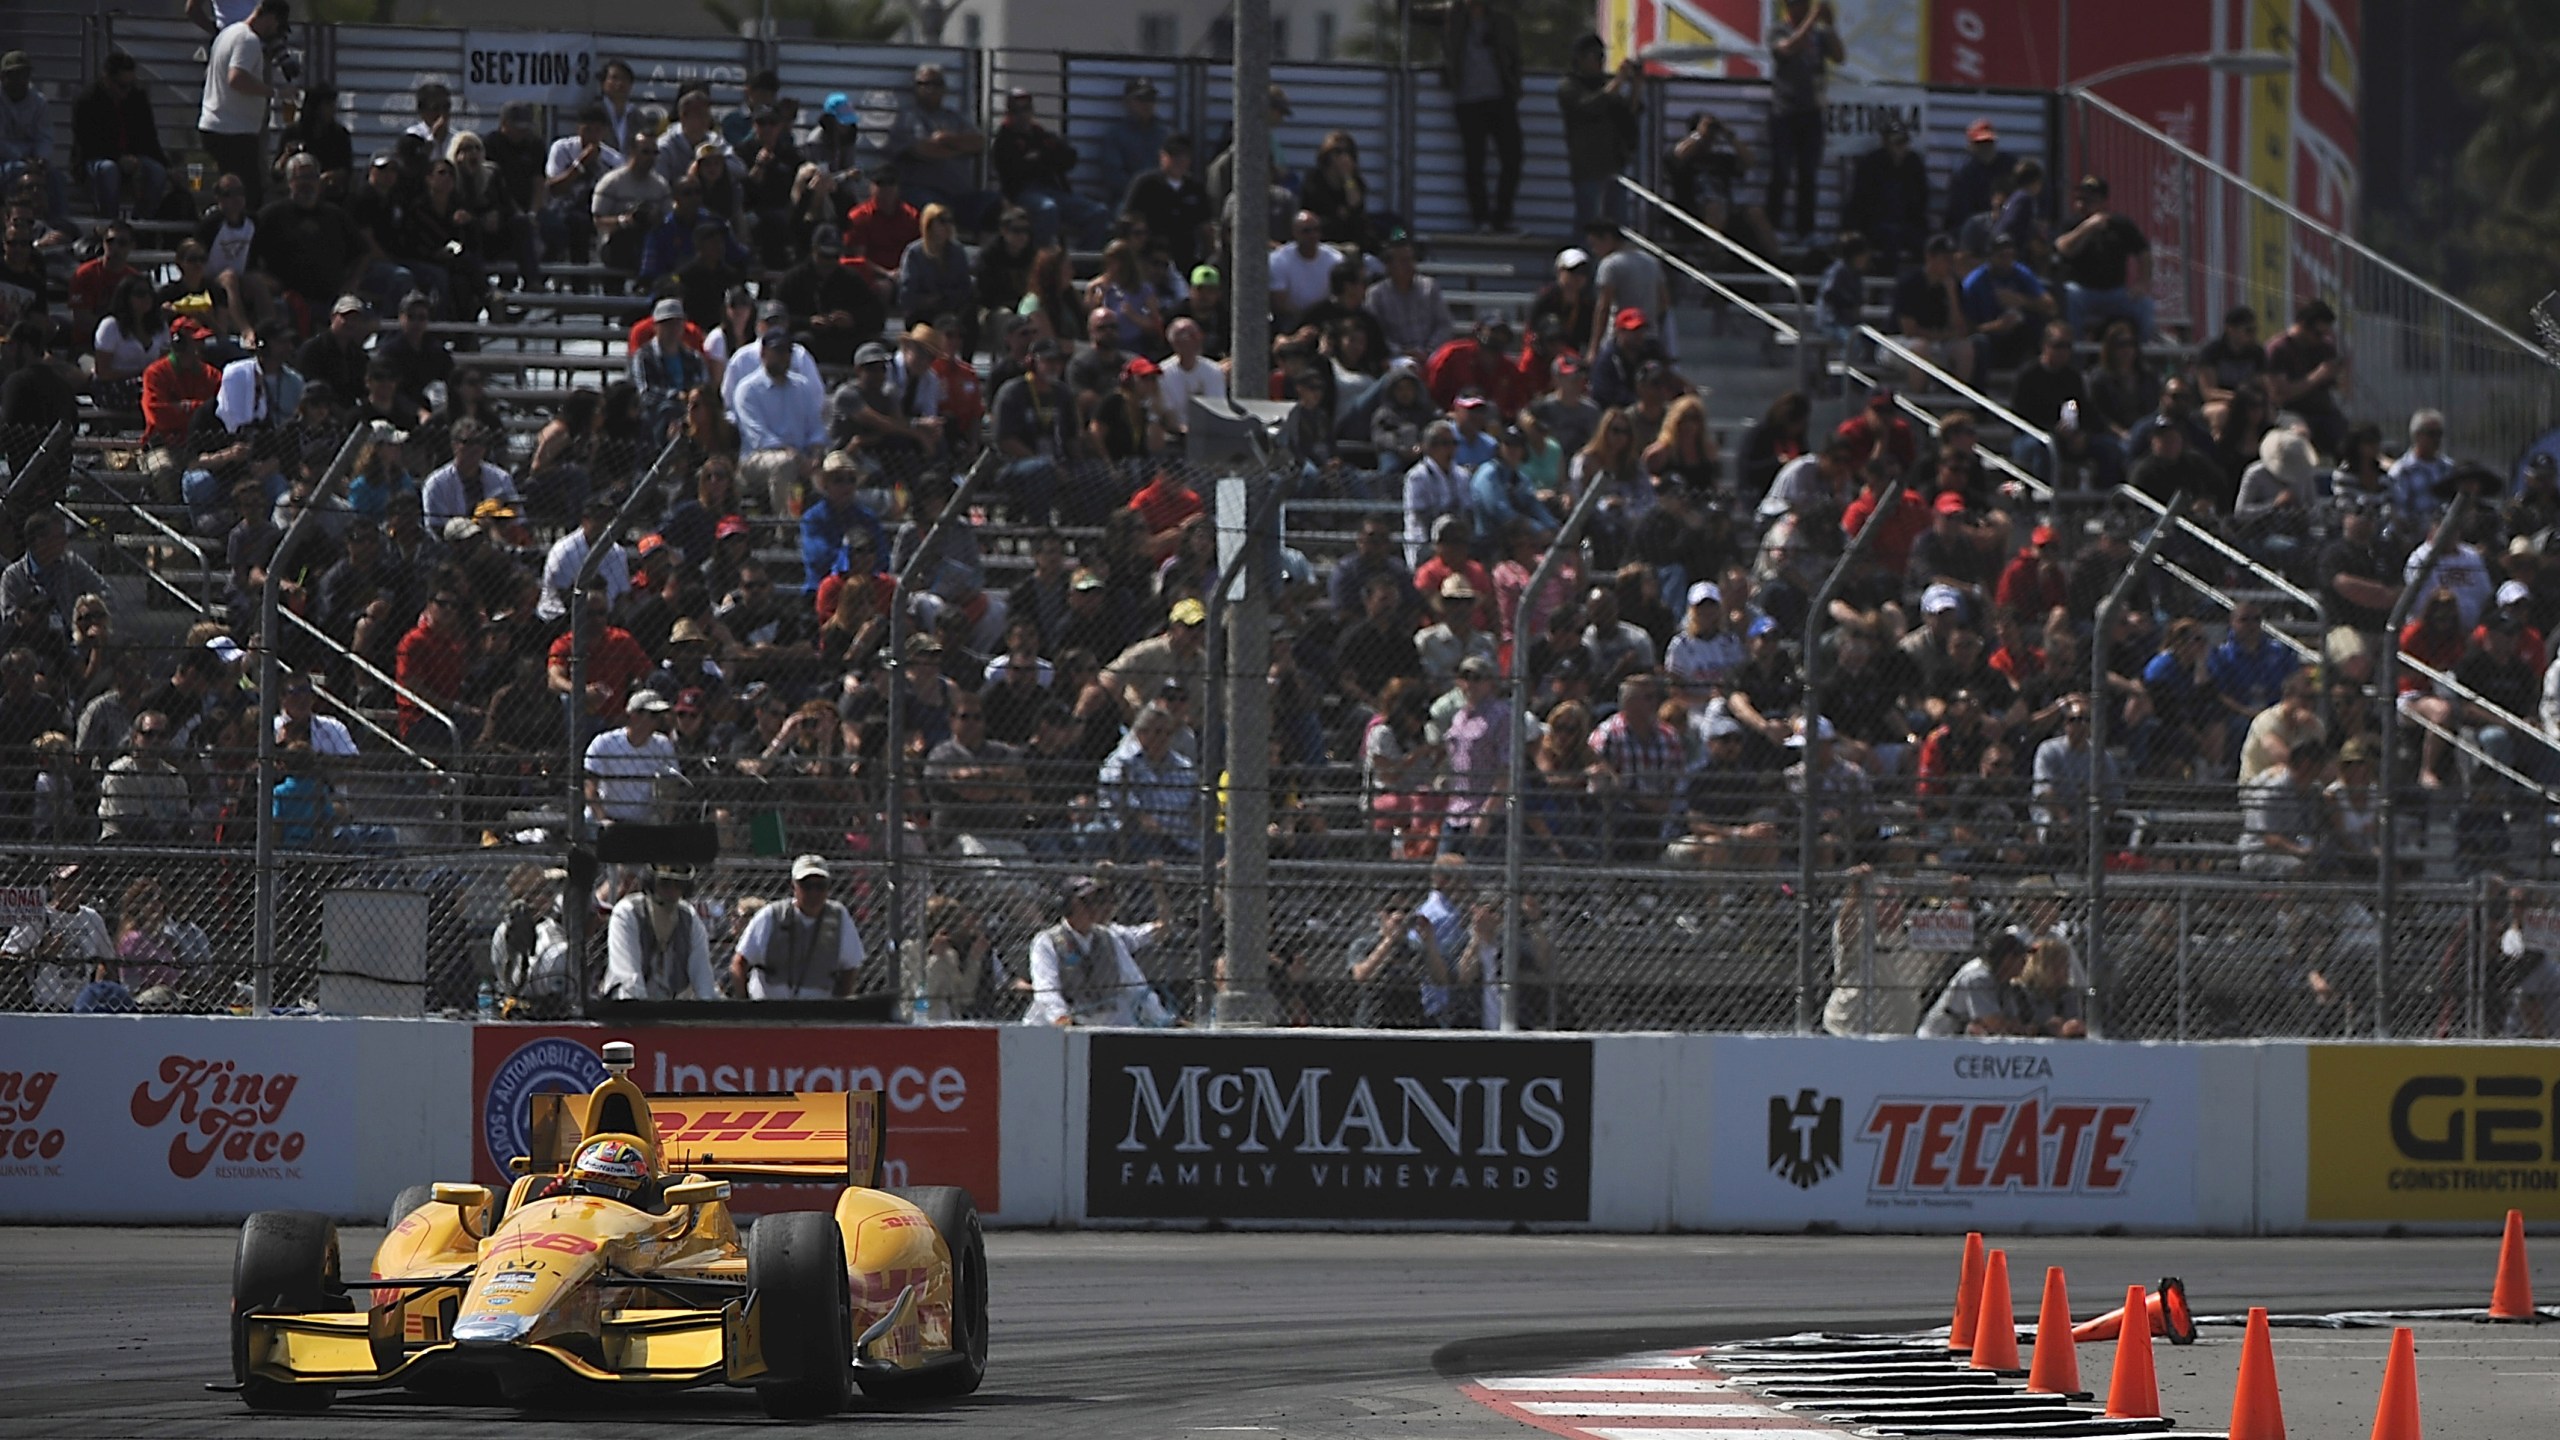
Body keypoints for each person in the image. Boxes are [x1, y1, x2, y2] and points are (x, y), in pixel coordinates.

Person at [1023, 867, 1174, 1026]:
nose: (1096, 906)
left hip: (1100, 1023)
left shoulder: (1109, 938)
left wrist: (1162, 1020)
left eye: (1098, 900)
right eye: (1087, 901)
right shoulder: (1047, 941)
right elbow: (1046, 991)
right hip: (1054, 1027)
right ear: (1067, 906)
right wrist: (1062, 1019)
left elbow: (1135, 985)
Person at [1428, 0, 1524, 233]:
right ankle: (1481, 219)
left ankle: (1502, 217)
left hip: (1500, 96)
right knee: (1475, 161)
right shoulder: (1452, 15)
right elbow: (1412, 14)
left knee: (1513, 157)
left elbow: (1515, 55)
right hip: (1468, 100)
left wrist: (1515, 83)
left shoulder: (1500, 20)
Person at [731, 853, 867, 1000]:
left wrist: (839, 1005)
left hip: (819, 1011)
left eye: (820, 886)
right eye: (806, 886)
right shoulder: (772, 916)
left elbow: (851, 967)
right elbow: (740, 962)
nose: (813, 892)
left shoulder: (838, 918)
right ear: (794, 886)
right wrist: (745, 1004)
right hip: (770, 1009)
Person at [199, 0, 292, 208]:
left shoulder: (229, 33)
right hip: (233, 132)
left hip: (221, 126)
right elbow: (236, 78)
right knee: (248, 196)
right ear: (270, 18)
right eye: (277, 27)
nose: (275, 34)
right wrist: (274, 92)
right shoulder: (248, 40)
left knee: (233, 190)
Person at [1764, 0, 1843, 245]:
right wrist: (1811, 21)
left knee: (1808, 173)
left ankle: (1805, 230)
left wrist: (1829, 26)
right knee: (1782, 170)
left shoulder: (1818, 34)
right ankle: (1773, 224)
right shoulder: (1778, 30)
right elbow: (1787, 48)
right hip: (1785, 112)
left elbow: (1840, 57)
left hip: (1812, 111)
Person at [993, 89, 1108, 250]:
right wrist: (1044, 159)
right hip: (1022, 195)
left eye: (1026, 109)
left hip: (1054, 191)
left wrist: (1040, 158)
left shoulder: (1041, 135)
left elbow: (1069, 157)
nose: (1022, 115)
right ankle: (1041, 265)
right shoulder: (1003, 140)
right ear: (1009, 113)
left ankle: (1083, 267)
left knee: (1098, 212)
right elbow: (1014, 172)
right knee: (1048, 209)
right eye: (1016, 110)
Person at [889, 64, 996, 232]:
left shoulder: (956, 117)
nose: (930, 89)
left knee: (998, 205)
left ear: (944, 88)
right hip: (923, 192)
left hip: (962, 195)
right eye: (924, 84)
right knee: (937, 211)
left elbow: (978, 142)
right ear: (915, 88)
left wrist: (945, 139)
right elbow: (922, 149)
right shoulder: (907, 118)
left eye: (936, 84)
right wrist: (959, 148)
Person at [2055, 175, 2154, 342]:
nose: (2082, 204)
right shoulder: (2072, 223)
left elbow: (2144, 253)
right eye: (2080, 199)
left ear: (2102, 202)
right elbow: (2063, 248)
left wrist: (2142, 283)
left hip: (2115, 292)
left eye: (2089, 200)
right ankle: (2075, 355)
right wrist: (2087, 227)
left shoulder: (2120, 224)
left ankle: (2139, 356)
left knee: (2144, 305)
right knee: (2069, 296)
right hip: (2082, 291)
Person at [1557, 37, 1642, 232]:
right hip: (1588, 166)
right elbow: (1590, 107)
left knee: (1617, 223)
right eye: (1596, 56)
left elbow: (1628, 113)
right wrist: (1618, 80)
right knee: (1588, 222)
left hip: (1613, 163)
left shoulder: (1605, 85)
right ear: (1580, 58)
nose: (1601, 61)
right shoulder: (1569, 86)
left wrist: (1636, 84)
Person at [73, 51, 170, 221]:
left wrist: (167, 167)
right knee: (108, 170)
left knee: (158, 172)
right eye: (121, 85)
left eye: (130, 85)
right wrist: (118, 158)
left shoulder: (137, 98)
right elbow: (87, 143)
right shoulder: (87, 101)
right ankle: (109, 223)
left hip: (132, 160)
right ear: (107, 79)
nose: (126, 91)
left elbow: (149, 138)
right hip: (95, 160)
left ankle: (142, 223)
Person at [601, 864, 717, 1001]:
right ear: (651, 883)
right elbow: (629, 983)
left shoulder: (689, 918)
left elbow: (704, 980)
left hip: (670, 1009)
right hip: (626, 1012)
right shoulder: (628, 913)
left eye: (679, 884)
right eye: (665, 884)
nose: (672, 891)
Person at [583, 687, 677, 826]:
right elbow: (590, 788)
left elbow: (670, 789)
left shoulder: (662, 744)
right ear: (634, 715)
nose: (657, 721)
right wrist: (604, 821)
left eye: (659, 716)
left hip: (642, 823)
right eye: (653, 715)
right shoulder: (604, 742)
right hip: (604, 819)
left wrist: (664, 822)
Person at [1844, 119, 1929, 272]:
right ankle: (1888, 283)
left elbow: (1921, 199)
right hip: (1877, 224)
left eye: (1904, 141)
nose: (1901, 146)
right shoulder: (1871, 165)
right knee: (1891, 239)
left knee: (1926, 244)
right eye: (1896, 141)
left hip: (1907, 224)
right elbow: (1861, 201)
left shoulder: (1914, 164)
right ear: (1885, 142)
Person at [1918, 926, 2032, 1036]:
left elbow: (2014, 1021)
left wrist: (2022, 1028)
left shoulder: (2004, 981)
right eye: (2022, 959)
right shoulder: (1978, 977)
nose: (2025, 964)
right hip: (1937, 1040)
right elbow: (1994, 1025)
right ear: (2007, 959)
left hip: (1960, 1042)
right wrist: (2028, 1029)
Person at [1090, 79, 1169, 211]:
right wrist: (1141, 192)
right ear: (1127, 102)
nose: (1147, 104)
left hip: (1162, 198)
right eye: (1141, 99)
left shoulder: (1165, 134)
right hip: (1128, 199)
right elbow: (1114, 176)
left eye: (1151, 99)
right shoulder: (1115, 135)